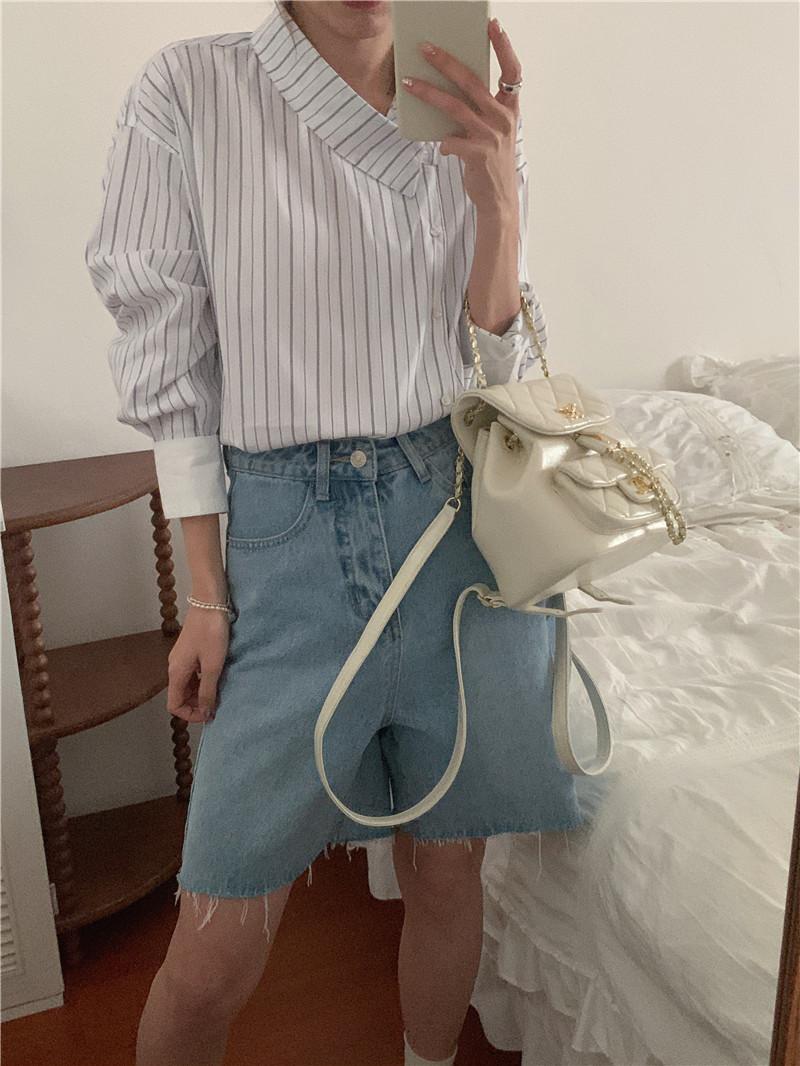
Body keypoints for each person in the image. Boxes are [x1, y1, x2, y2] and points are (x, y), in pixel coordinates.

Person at [84, 2, 586, 1063]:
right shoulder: (191, 89)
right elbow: (171, 365)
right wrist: (206, 594)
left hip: (457, 527)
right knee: (215, 945)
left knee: (449, 868)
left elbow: (498, 369)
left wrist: (498, 199)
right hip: (286, 540)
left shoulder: (460, 93)